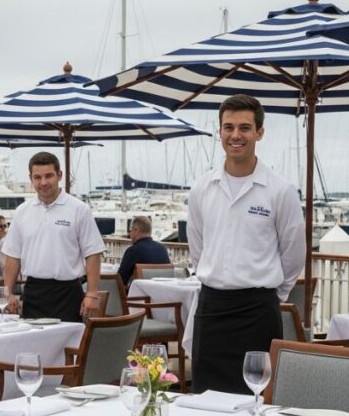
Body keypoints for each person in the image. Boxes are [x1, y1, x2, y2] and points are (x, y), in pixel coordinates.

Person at [188, 94, 305, 394]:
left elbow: (293, 255)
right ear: (220, 132)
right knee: (205, 398)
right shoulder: (202, 188)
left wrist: (269, 295)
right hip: (211, 310)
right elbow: (198, 249)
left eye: (244, 128)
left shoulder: (280, 191)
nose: (235, 136)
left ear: (259, 133)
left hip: (257, 313)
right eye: (228, 128)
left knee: (255, 400)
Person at [2, 152, 104, 322]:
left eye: (49, 176)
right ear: (31, 179)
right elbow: (13, 256)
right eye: (37, 177)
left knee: (69, 347)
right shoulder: (22, 211)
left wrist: (92, 293)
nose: (43, 182)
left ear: (59, 175)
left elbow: (92, 253)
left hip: (68, 293)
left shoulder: (79, 209)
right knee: (31, 347)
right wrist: (8, 293)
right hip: (33, 293)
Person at [117, 216, 171, 287]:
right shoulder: (162, 249)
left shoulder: (133, 251)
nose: (130, 234)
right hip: (162, 295)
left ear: (136, 230)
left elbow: (120, 280)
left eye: (131, 230)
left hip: (140, 296)